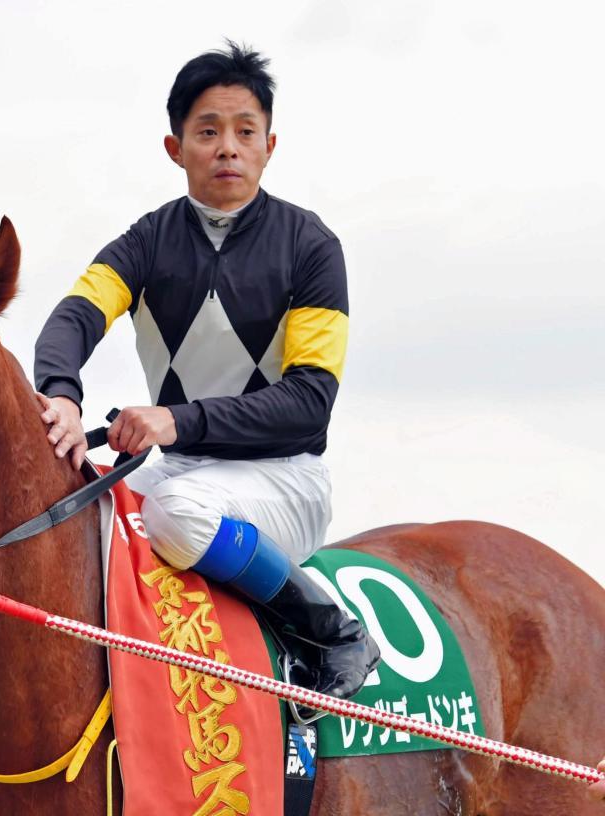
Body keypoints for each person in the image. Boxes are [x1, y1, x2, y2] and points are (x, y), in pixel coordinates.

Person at [34, 42, 380, 701]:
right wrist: (61, 394)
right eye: (208, 132)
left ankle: (331, 632)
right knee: (70, 514)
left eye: (244, 132)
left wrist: (174, 421)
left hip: (284, 479)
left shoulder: (311, 247)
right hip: (178, 473)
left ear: (269, 145)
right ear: (176, 147)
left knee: (174, 513)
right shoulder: (144, 243)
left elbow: (308, 404)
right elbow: (73, 317)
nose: (227, 148)